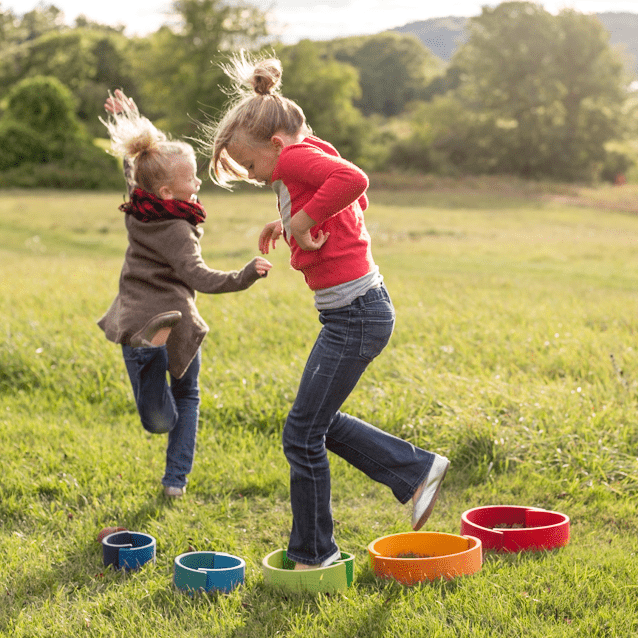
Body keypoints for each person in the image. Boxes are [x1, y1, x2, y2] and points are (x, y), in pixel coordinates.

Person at [202, 53, 449, 569]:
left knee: (302, 433)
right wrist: (287, 224)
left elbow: (354, 182)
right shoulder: (309, 152)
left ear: (274, 144)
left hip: (355, 313)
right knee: (314, 424)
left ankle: (316, 554)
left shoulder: (292, 159)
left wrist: (304, 219)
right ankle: (414, 471)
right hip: (356, 311)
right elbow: (339, 199)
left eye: (250, 165)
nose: (252, 176)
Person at [98, 90, 272, 498]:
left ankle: (148, 352)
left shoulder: (139, 208)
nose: (198, 184)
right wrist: (244, 275)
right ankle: (176, 481)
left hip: (132, 316)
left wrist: (131, 119)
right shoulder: (178, 229)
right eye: (191, 179)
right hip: (176, 318)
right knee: (186, 399)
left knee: (156, 416)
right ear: (167, 194)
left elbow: (137, 167)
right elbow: (200, 276)